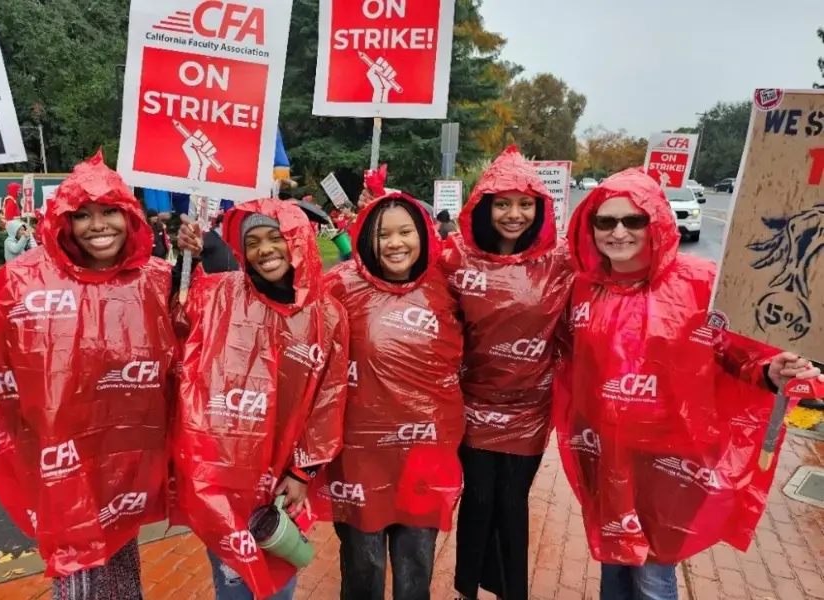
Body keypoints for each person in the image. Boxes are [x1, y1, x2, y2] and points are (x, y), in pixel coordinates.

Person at [554, 168, 824, 600]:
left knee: (655, 570)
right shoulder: (584, 287)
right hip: (604, 448)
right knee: (612, 552)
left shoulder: (700, 282)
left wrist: (770, 370)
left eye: (632, 220)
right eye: (605, 221)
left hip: (671, 454)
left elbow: (737, 350)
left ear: (655, 222)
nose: (618, 232)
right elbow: (563, 351)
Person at [0, 152, 176, 599]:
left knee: (122, 565)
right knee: (79, 570)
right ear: (64, 223)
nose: (98, 225)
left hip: (127, 463)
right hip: (65, 465)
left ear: (130, 216)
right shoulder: (24, 279)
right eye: (82, 215)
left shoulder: (158, 278)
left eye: (109, 212)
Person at [175, 199, 349, 600]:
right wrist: (184, 259)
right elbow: (180, 317)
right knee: (232, 580)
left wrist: (303, 472)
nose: (265, 250)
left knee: (278, 570)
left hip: (283, 478)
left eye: (276, 238)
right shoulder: (222, 294)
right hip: (224, 470)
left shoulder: (329, 315)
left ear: (299, 241)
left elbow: (329, 400)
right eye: (253, 242)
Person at [441, 147, 575, 600]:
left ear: (540, 208)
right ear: (484, 206)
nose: (513, 214)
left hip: (529, 407)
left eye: (524, 204)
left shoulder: (559, 261)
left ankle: (510, 590)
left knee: (512, 502)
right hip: (472, 403)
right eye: (502, 203)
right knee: (478, 499)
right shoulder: (457, 258)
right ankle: (466, 589)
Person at [321, 192, 465, 600]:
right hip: (359, 455)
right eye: (384, 234)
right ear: (369, 239)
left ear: (423, 235)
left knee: (415, 564)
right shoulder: (341, 285)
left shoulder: (449, 285)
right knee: (363, 565)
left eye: (406, 232)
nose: (395, 243)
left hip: (427, 450)